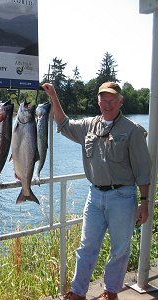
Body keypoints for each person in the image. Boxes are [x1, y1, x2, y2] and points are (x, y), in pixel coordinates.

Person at [42, 82, 151, 300]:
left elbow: (142, 170)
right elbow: (63, 124)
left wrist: (145, 202)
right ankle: (78, 292)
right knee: (86, 246)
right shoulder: (89, 125)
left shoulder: (132, 130)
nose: (107, 104)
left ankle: (111, 292)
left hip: (123, 196)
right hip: (94, 196)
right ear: (98, 101)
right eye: (104, 99)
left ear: (120, 101)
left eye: (112, 99)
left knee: (119, 249)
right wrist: (53, 96)